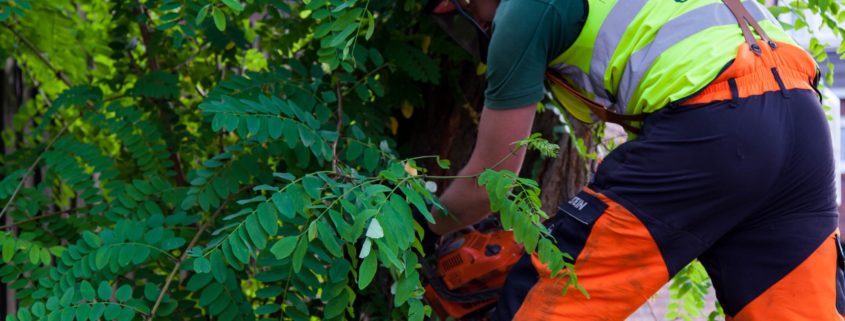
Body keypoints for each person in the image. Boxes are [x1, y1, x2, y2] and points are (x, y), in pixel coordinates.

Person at [423, 0, 845, 320]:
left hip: (716, 126)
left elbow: (489, 183)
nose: (479, 23)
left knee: (545, 297)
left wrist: (422, 227)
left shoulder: (524, 11)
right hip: (802, 120)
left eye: (465, 7)